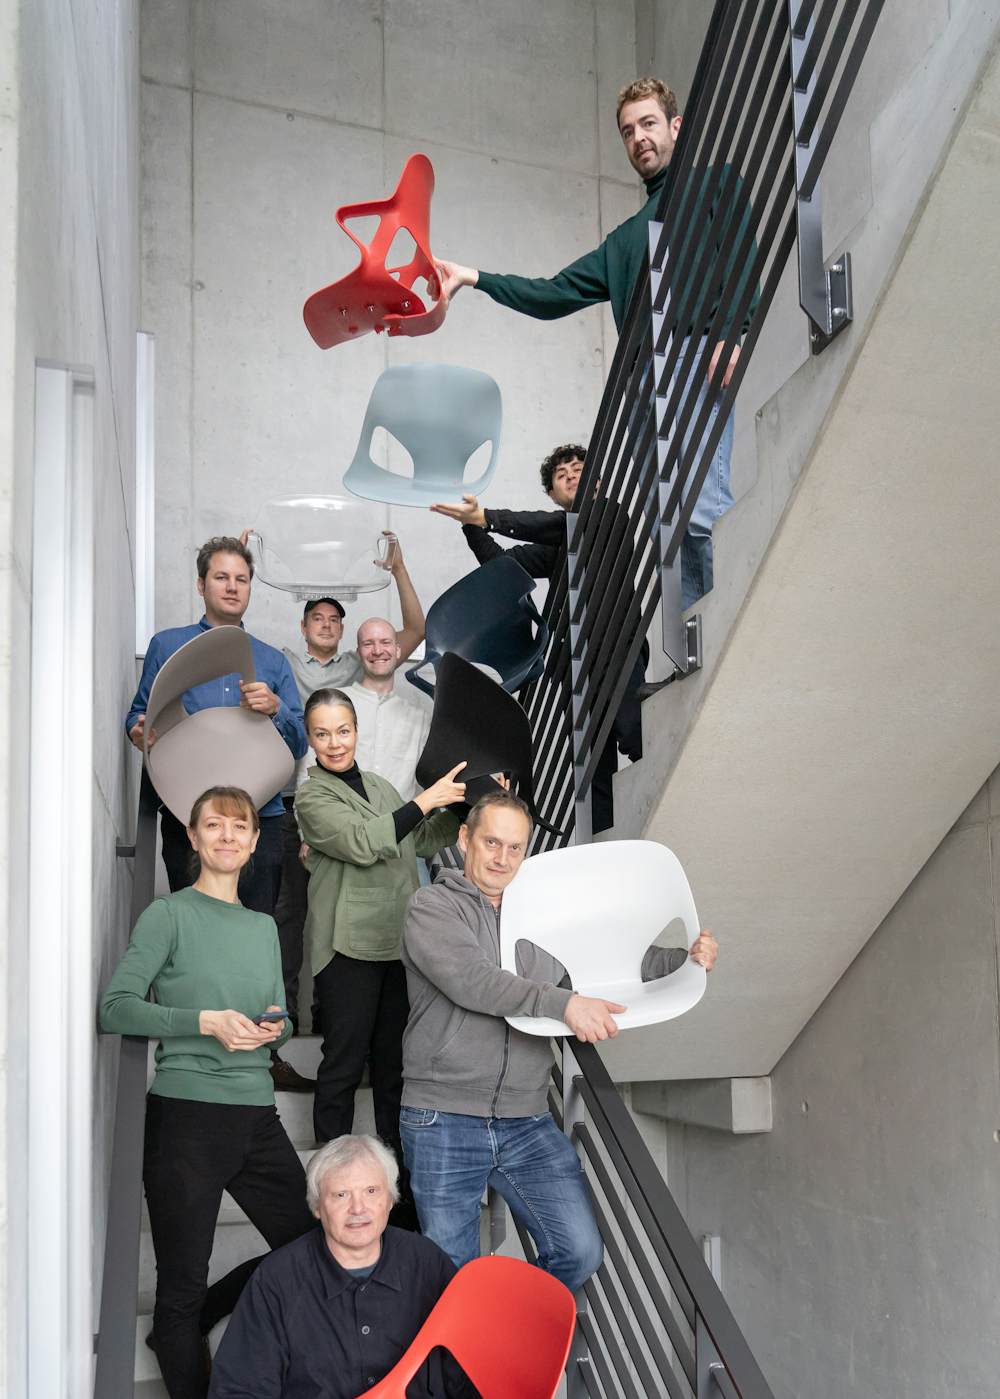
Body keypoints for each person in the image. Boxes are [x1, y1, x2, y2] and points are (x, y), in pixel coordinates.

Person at [432, 77, 759, 608]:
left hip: (699, 357)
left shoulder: (715, 184)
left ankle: (726, 625)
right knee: (664, 520)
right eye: (628, 131)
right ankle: (698, 630)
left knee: (701, 507)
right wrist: (474, 277)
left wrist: (731, 331)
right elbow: (551, 294)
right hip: (642, 383)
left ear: (676, 126)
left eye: (649, 124)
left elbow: (744, 252)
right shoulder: (623, 242)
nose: (639, 139)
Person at [400, 789, 718, 1291]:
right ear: (464, 839)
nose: (502, 859)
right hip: (443, 1116)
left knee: (580, 1250)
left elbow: (603, 965)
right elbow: (473, 980)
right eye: (492, 842)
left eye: (515, 848)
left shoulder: (540, 916)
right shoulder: (431, 907)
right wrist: (563, 1004)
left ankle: (506, 1323)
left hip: (525, 1118)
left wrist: (685, 960)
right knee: (448, 1278)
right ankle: (466, 1357)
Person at [99, 787, 316, 1399]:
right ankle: (183, 1340)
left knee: (313, 1249)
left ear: (254, 841)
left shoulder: (262, 928)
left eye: (238, 826)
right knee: (179, 1287)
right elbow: (116, 1009)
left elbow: (283, 1019)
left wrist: (275, 1029)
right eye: (212, 825)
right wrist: (205, 1022)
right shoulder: (168, 915)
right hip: (186, 1120)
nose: (226, 836)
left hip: (256, 1117)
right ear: (192, 839)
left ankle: (194, 1323)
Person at [294, 688, 466, 1201]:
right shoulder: (312, 797)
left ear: (355, 731)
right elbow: (364, 843)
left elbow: (422, 838)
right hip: (345, 946)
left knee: (395, 1066)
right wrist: (425, 800)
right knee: (344, 1062)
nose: (334, 742)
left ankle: (395, 1184)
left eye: (342, 730)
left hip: (399, 944)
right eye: (322, 734)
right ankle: (332, 1180)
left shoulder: (381, 785)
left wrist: (461, 804)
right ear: (310, 738)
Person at [432, 443, 642, 834]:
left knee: (634, 732)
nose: (572, 477)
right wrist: (471, 524)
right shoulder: (558, 546)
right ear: (552, 494)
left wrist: (489, 516)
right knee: (594, 766)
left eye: (579, 470)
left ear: (597, 481)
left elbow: (560, 525)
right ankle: (602, 844)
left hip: (618, 649)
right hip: (576, 667)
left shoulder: (610, 513)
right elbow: (502, 565)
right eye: (562, 476)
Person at [272, 535, 426, 1055]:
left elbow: (411, 632)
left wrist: (400, 568)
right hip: (323, 814)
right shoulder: (287, 667)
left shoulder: (367, 676)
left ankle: (380, 1040)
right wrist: (315, 827)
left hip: (397, 829)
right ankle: (312, 1018)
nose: (327, 626)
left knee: (401, 937)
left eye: (335, 620)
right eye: (318, 618)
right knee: (305, 920)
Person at [207, 1135, 473, 1399]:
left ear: (390, 1200)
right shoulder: (276, 1279)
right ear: (317, 1207)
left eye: (371, 1191)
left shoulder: (428, 1262)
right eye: (341, 1195)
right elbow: (240, 1389)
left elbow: (468, 1370)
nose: (358, 1208)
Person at [125, 535, 306, 913]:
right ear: (201, 585)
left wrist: (276, 709)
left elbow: (300, 742)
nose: (232, 587)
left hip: (259, 817)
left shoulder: (273, 661)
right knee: (192, 927)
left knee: (255, 928)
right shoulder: (166, 645)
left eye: (241, 579)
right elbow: (138, 715)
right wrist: (140, 733)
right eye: (221, 577)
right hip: (186, 812)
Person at [343, 616, 432, 802]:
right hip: (344, 827)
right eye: (368, 644)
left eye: (385, 642)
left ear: (397, 650)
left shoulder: (419, 718)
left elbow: (432, 780)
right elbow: (308, 776)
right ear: (359, 652)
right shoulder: (335, 703)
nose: (377, 650)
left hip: (401, 829)